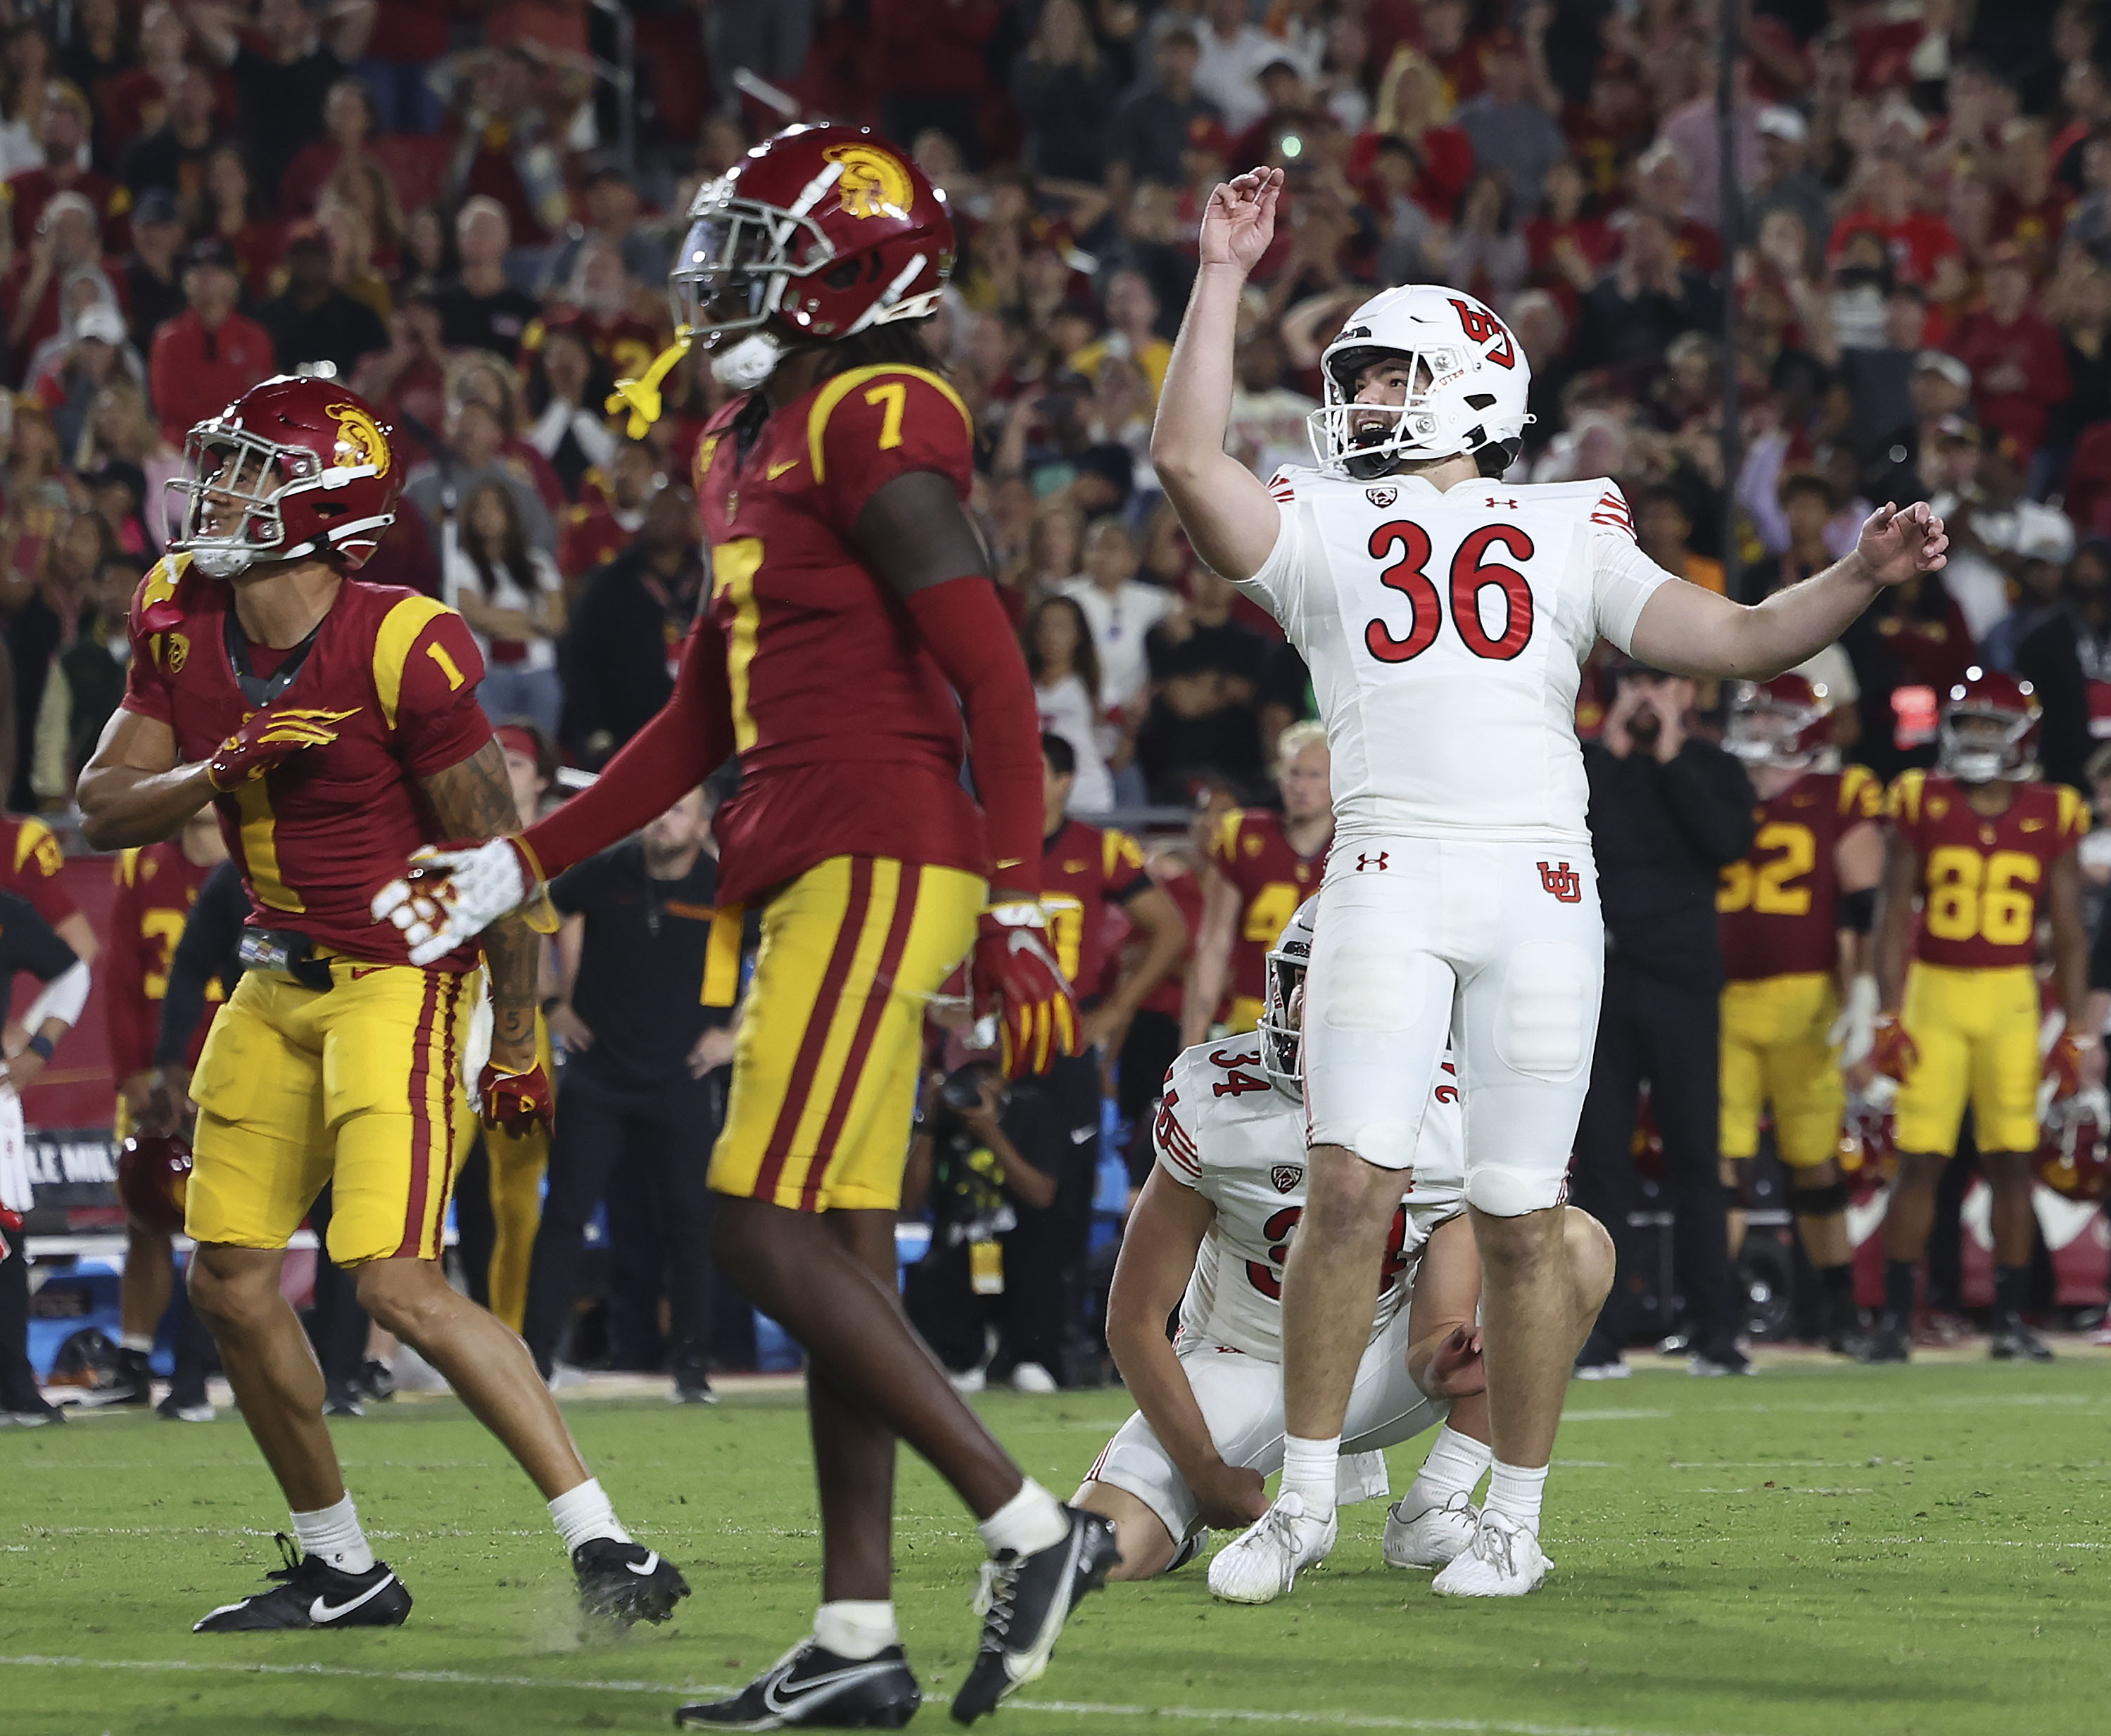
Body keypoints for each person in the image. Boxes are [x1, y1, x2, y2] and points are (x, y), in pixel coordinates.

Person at [371, 125, 1112, 1727]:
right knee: (834, 1247)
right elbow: (693, 716)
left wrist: (1024, 893)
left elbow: (993, 670)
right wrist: (516, 862)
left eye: (762, 247)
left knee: (751, 1222)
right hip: (807, 853)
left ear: (853, 267)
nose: (722, 279)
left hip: (882, 847)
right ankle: (856, 1638)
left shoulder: (874, 404)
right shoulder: (754, 430)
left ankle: (1027, 1520)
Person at [1148, 167, 1951, 1600]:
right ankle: (1309, 1502)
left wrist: (1857, 576)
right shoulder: (1324, 524)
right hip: (1387, 867)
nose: (1364, 400)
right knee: (1350, 1184)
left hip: (1534, 882)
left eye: (1391, 375)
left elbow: (1746, 638)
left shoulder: (1572, 517)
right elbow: (1188, 465)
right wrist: (1219, 277)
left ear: (1465, 384)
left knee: (1522, 1212)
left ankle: (1511, 1516)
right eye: (1360, 375)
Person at [72, 376, 687, 1633]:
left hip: (402, 979)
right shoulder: (178, 609)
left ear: (324, 507)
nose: (221, 492)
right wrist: (219, 763)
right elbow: (98, 806)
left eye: (253, 471)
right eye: (226, 466)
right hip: (268, 967)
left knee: (395, 1279)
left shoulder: (402, 638)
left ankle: (607, 1541)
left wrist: (516, 1036)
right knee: (230, 1280)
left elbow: (495, 858)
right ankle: (341, 1563)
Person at [1077, 900, 1616, 1588]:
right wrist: (1203, 1471)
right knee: (1103, 1553)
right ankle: (1182, 1524)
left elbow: (1433, 1338)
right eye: (1307, 982)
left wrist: (1451, 1356)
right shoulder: (1217, 1097)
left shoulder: (1456, 1116)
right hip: (1238, 1364)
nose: (1310, 1008)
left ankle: (1436, 1503)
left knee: (1571, 1247)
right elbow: (1133, 1316)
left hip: (1374, 1363)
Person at [1861, 672, 2096, 1363]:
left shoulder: (2053, 809)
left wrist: (2078, 1029)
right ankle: (1895, 1321)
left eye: (1994, 726)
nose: (1978, 739)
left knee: (2012, 1161)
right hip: (1935, 990)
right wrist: (1888, 1013)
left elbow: (2070, 932)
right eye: (1969, 725)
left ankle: (2010, 1319)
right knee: (1921, 1160)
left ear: (2022, 734)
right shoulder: (1920, 799)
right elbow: (1892, 915)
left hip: (2010, 995)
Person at [1568, 660, 1756, 1379]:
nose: (1647, 695)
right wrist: (1614, 748)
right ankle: (1598, 1333)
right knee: (1602, 1165)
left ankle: (1715, 1329)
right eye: (1634, 683)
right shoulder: (1587, 765)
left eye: (1665, 681)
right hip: (1606, 983)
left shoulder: (1714, 766)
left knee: (1696, 1163)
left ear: (1692, 690)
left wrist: (1674, 750)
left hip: (1682, 986)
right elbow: (1573, 836)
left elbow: (1725, 842)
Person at [527, 788, 730, 1401]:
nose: (660, 816)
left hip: (684, 1074)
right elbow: (532, 914)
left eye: (676, 809)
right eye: (657, 807)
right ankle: (534, 1361)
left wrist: (736, 1034)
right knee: (564, 1215)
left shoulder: (725, 885)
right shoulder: (606, 868)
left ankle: (692, 1366)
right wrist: (551, 1002)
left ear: (702, 823)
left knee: (692, 1222)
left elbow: (784, 955)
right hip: (600, 1072)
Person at [1716, 676, 1886, 1352]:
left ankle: (1841, 1308)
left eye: (1774, 714)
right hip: (1723, 996)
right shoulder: (1717, 781)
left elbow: (1863, 903)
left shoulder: (1841, 792)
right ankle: (1716, 1311)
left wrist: (1865, 988)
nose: (1759, 726)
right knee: (1721, 1160)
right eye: (1752, 712)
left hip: (1807, 999)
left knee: (1814, 1159)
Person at [1022, 733, 1188, 1388]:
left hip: (1065, 1039)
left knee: (1064, 1193)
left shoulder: (1098, 851)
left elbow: (1170, 929)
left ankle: (1057, 1343)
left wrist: (1115, 1012)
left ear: (1065, 780)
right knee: (982, 1191)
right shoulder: (985, 843)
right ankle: (990, 1340)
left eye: (1034, 770)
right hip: (996, 1036)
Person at [103, 807, 229, 1412]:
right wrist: (133, 1074)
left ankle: (198, 1365)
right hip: (158, 1071)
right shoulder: (143, 861)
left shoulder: (255, 858)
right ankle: (133, 1354)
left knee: (221, 1223)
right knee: (146, 1216)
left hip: (230, 1067)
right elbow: (122, 976)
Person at [0, 891, 92, 1426]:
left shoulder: (8, 913)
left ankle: (14, 1382)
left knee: (5, 1232)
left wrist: (40, 1046)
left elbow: (72, 973)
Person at [1184, 721, 1331, 1043]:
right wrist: (1192, 1042)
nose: (1300, 786)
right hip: (1253, 1019)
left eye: (1314, 775)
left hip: (1329, 1023)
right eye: (1293, 773)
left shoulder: (1354, 848)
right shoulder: (1243, 835)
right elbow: (1213, 943)